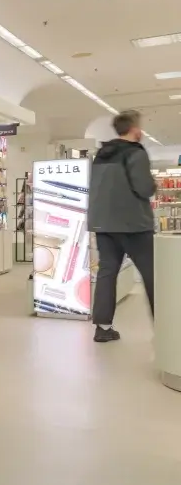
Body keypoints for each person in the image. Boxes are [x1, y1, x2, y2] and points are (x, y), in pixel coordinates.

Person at [88, 110, 156, 343]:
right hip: (134, 224)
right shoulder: (135, 153)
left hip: (104, 224)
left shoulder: (101, 154)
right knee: (153, 275)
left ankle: (103, 327)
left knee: (107, 274)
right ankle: (167, 326)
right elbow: (144, 187)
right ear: (135, 129)